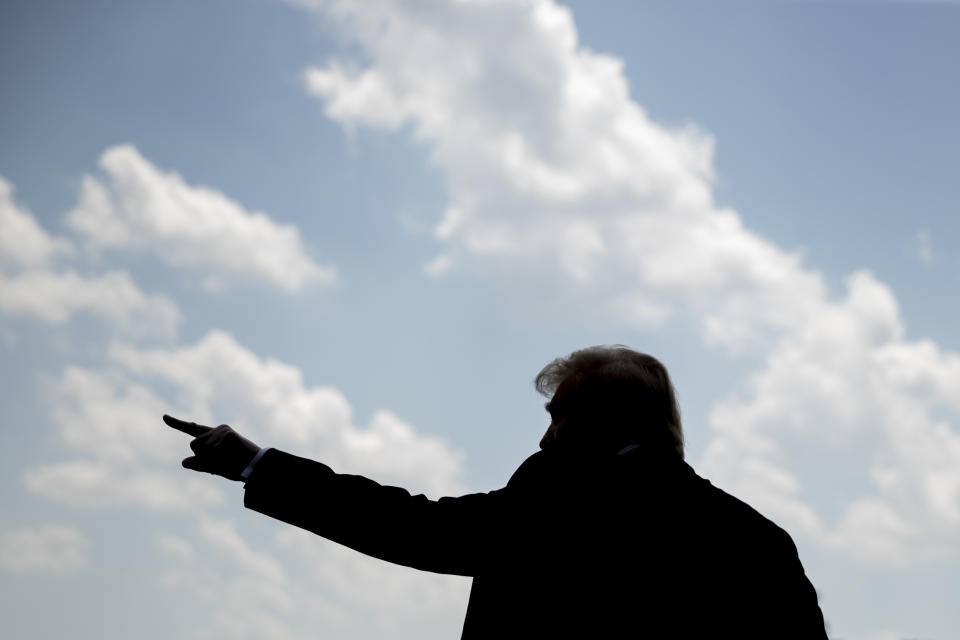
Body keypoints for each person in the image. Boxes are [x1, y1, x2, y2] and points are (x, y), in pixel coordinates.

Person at [166, 346, 828, 638]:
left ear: (614, 419)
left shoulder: (554, 511)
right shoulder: (760, 544)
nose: (545, 441)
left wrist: (258, 465)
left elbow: (412, 527)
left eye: (559, 417)